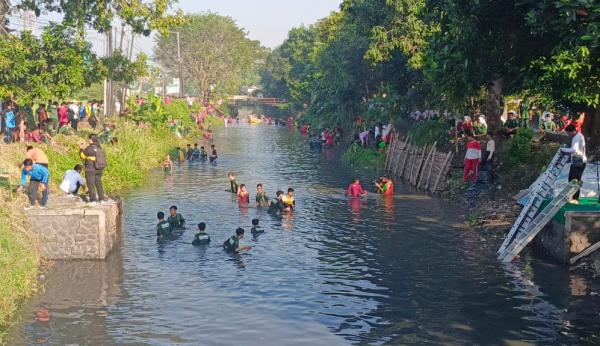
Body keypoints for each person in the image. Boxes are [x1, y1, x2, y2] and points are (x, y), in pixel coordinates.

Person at [561, 124, 587, 204]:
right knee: (574, 180)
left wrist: (563, 149)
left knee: (573, 180)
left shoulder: (576, 137)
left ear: (572, 131)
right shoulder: (578, 136)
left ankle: (574, 198)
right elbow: (575, 151)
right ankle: (574, 197)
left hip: (578, 161)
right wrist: (567, 153)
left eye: (568, 133)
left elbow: (574, 150)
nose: (568, 135)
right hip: (579, 160)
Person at [79, 134, 107, 203]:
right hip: (99, 169)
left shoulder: (89, 148)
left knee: (90, 184)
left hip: (90, 169)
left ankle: (93, 200)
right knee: (99, 184)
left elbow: (83, 156)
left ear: (91, 140)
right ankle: (102, 199)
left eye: (89, 139)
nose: (88, 140)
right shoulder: (99, 148)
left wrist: (81, 148)